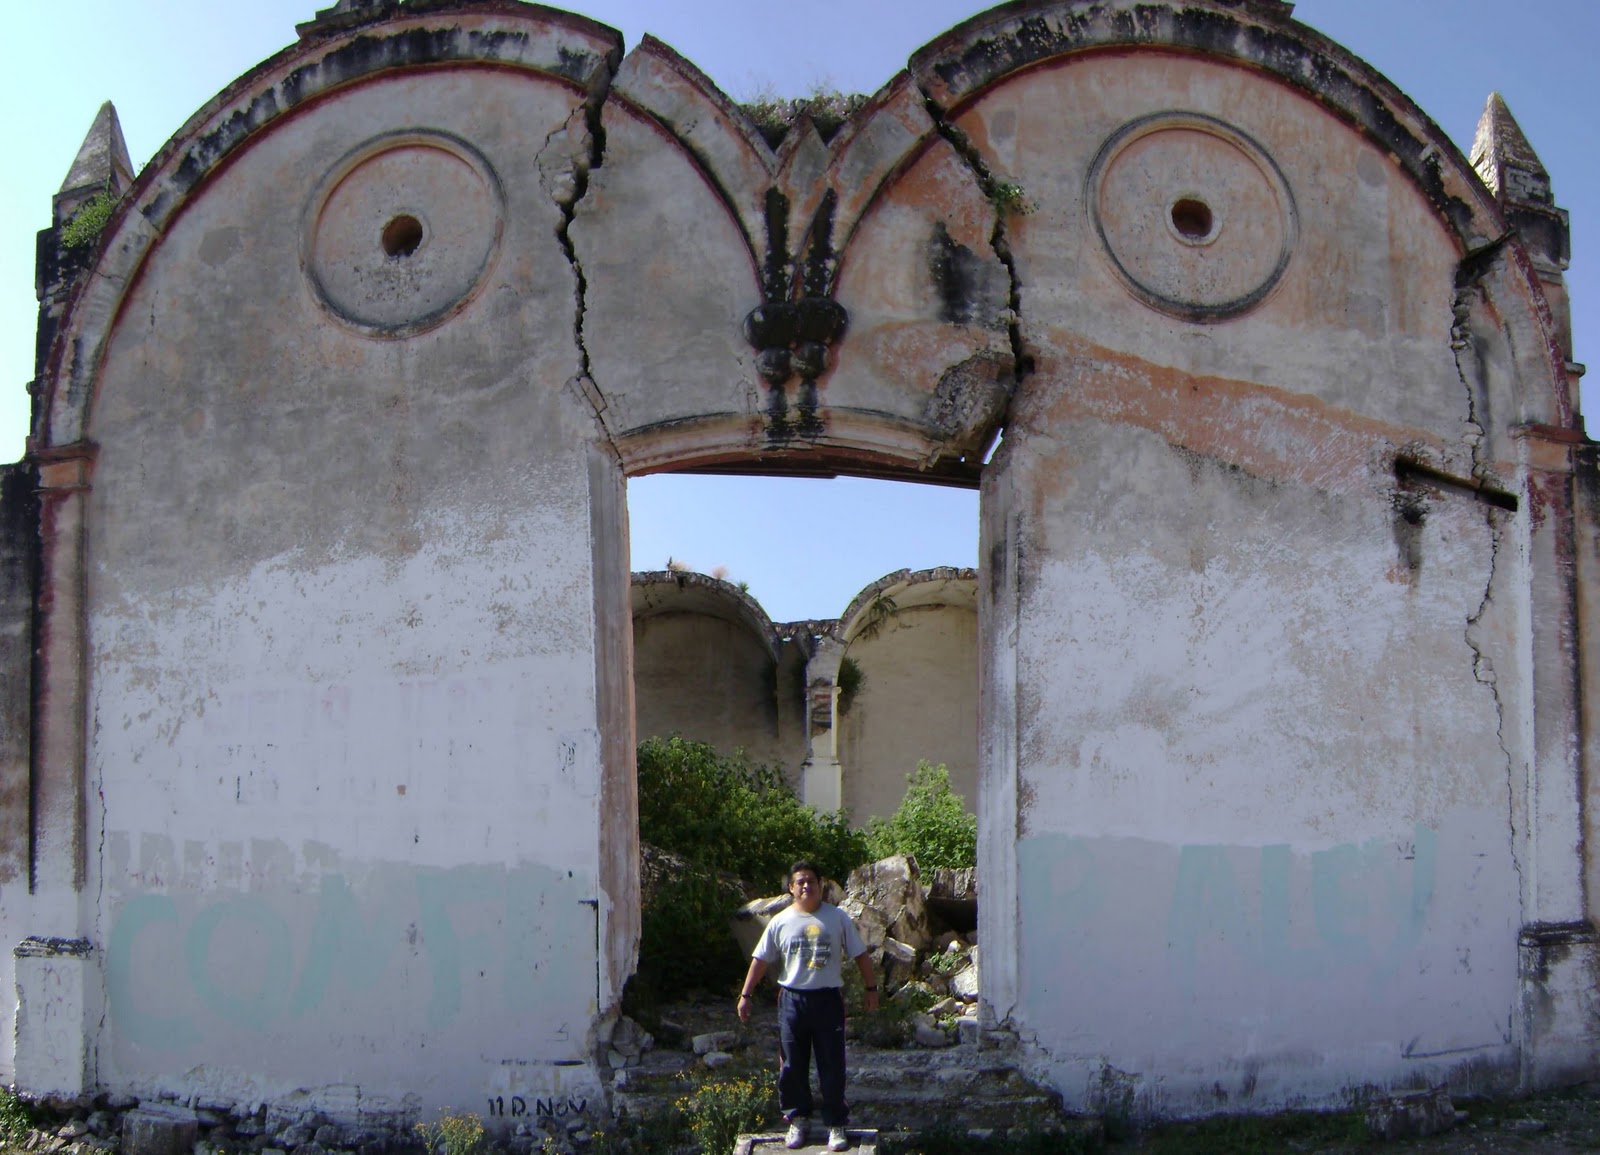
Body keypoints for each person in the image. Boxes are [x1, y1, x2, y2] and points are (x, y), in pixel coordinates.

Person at [737, 860, 878, 1152]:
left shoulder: (837, 917)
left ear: (820, 885)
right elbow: (760, 959)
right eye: (800, 882)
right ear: (791, 888)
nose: (806, 886)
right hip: (792, 1001)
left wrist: (871, 989)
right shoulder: (780, 921)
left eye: (811, 881)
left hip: (827, 1000)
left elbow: (860, 954)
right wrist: (745, 995)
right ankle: (798, 1119)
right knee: (791, 1064)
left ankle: (836, 1124)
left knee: (832, 1064)